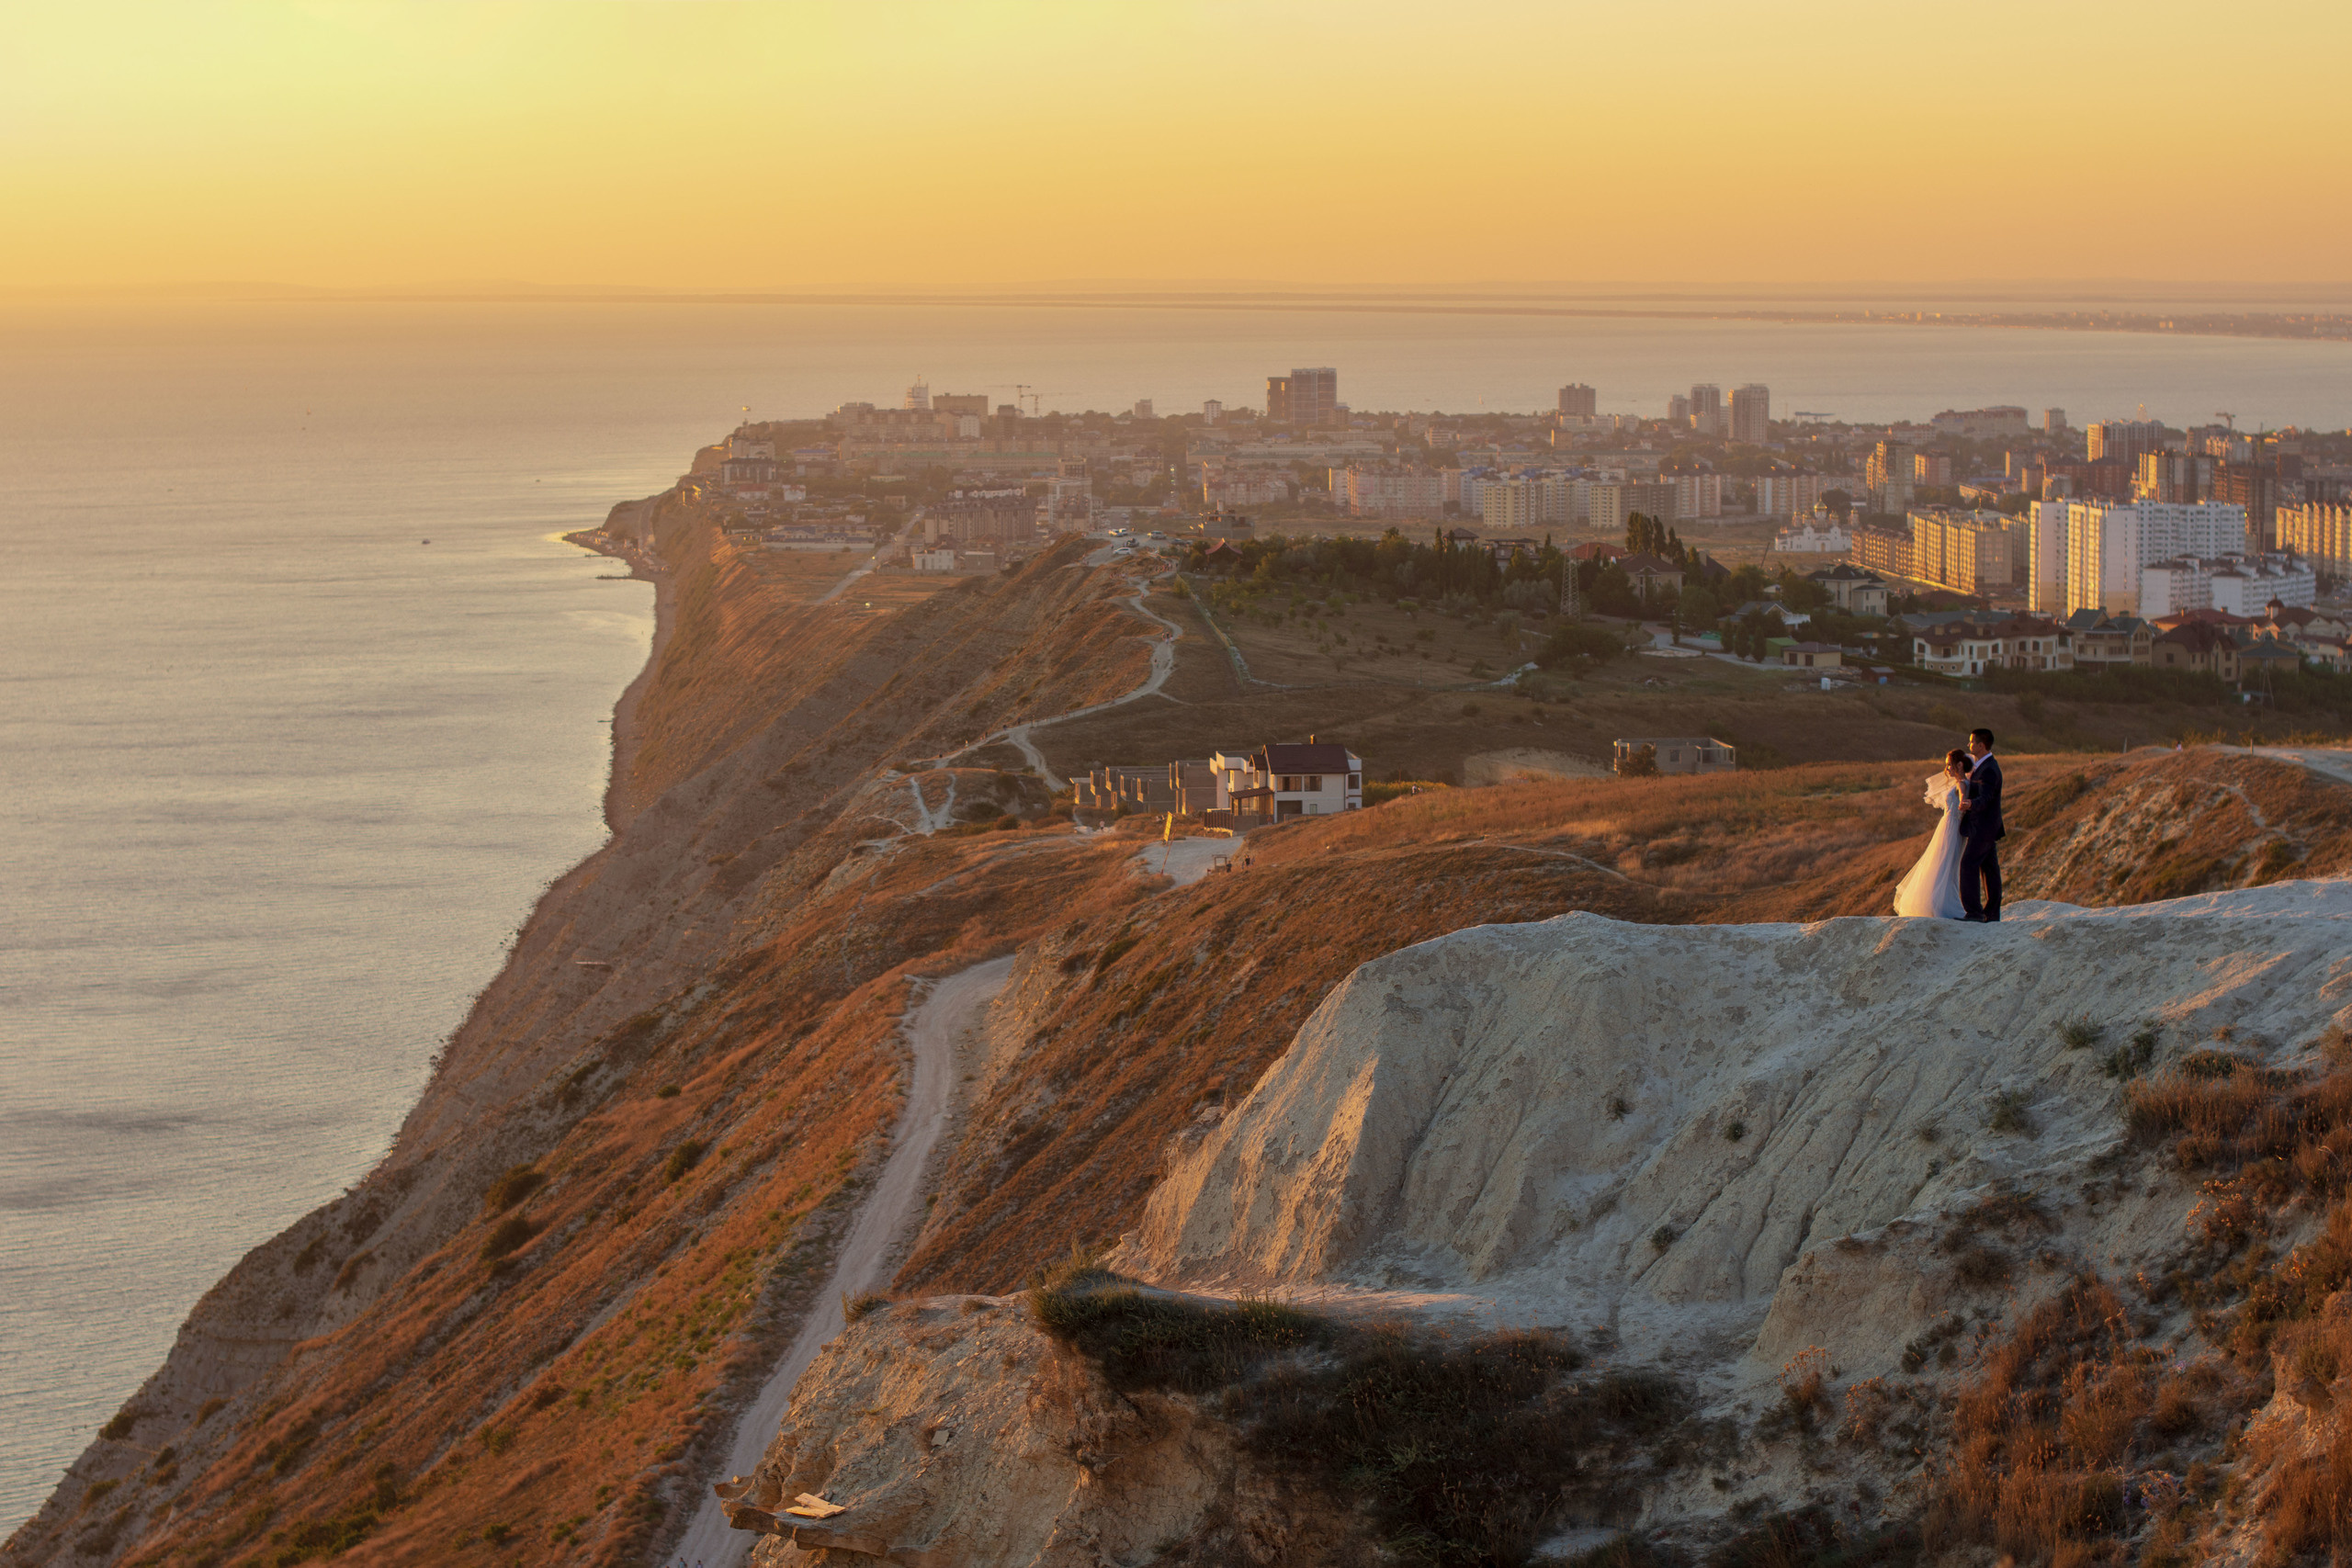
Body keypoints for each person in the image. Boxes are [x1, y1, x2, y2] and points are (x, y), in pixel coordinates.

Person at [1892, 749, 1973, 919]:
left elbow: (1964, 802)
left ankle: (1941, 904)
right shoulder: (1959, 783)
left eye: (1949, 765)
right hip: (1949, 825)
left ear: (1959, 765)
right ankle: (1937, 902)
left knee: (1944, 864)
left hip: (1952, 826)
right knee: (1942, 863)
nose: (1947, 769)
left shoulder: (1962, 784)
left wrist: (1960, 809)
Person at [1959, 728, 2004, 921]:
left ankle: (1974, 912)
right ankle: (1992, 914)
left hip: (1983, 828)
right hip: (1986, 827)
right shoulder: (1982, 766)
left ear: (1981, 745)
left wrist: (1971, 804)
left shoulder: (1990, 770)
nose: (1969, 745)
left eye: (1971, 742)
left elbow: (1986, 798)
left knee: (1968, 864)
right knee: (1990, 870)